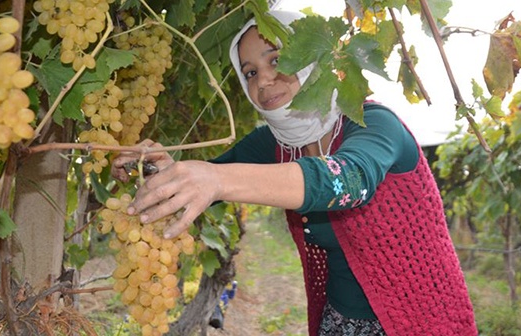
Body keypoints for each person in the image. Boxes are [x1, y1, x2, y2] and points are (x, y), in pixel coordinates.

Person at [111, 10, 478, 336]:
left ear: (311, 61)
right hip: (338, 322)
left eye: (278, 60)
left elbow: (351, 180)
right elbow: (209, 180)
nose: (264, 80)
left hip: (419, 321)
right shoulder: (275, 142)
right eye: (250, 72)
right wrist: (161, 169)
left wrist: (215, 179)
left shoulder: (374, 123)